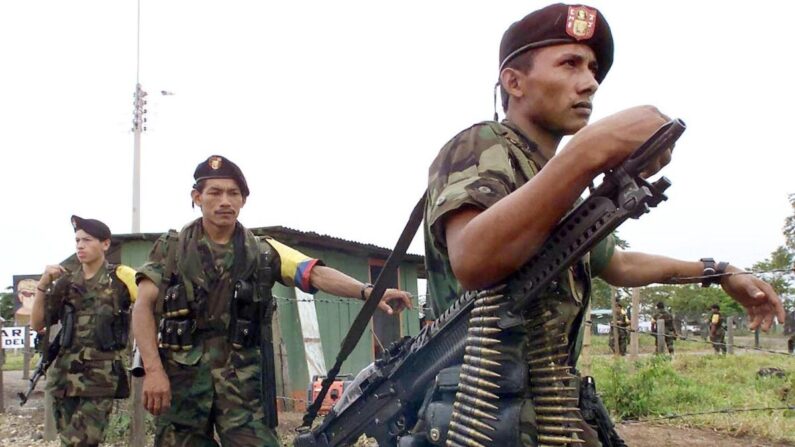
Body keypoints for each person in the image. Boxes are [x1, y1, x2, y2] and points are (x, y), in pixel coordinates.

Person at [422, 3, 786, 446]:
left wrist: (719, 270)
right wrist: (589, 151)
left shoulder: (552, 178)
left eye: (593, 69)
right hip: (478, 413)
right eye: (569, 64)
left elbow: (617, 263)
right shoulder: (480, 144)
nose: (590, 82)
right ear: (513, 82)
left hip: (544, 404)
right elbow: (474, 259)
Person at [132, 155, 413, 447]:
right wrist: (153, 371)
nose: (224, 201)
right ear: (197, 197)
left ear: (243, 200)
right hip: (182, 386)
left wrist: (369, 291)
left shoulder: (262, 252)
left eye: (234, 193)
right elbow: (142, 307)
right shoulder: (172, 249)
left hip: (240, 390)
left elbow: (314, 274)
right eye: (215, 192)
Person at [30, 216, 137, 447]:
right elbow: (37, 323)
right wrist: (42, 284)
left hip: (100, 377)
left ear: (105, 244)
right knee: (72, 442)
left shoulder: (121, 278)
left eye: (87, 240)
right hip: (64, 377)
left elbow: (149, 308)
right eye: (77, 240)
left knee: (80, 442)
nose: (80, 245)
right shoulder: (66, 282)